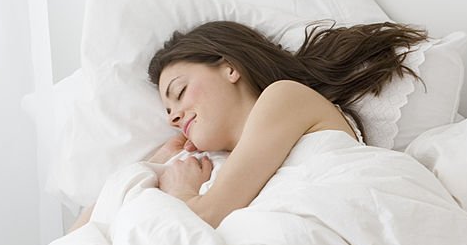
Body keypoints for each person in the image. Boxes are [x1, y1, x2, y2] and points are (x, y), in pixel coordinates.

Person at [69, 19, 429, 232]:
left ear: (229, 68)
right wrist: (159, 158)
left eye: (178, 92)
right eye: (167, 111)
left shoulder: (284, 98)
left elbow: (206, 216)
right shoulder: (215, 165)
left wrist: (182, 193)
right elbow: (81, 234)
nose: (172, 117)